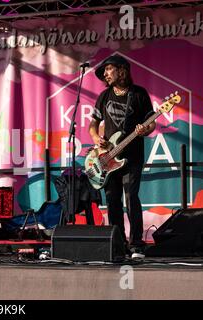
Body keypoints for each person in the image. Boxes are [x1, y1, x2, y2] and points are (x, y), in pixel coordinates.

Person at [89, 55, 156, 258]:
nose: (106, 75)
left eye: (109, 70)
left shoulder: (139, 94)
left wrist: (145, 130)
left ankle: (136, 244)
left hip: (133, 156)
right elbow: (93, 124)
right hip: (109, 157)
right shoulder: (104, 96)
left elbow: (151, 122)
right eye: (105, 72)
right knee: (112, 200)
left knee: (131, 198)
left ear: (122, 70)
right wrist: (95, 138)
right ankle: (117, 243)